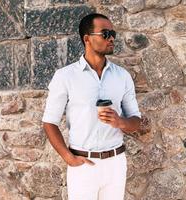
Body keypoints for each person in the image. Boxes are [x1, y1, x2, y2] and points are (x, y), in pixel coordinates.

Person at [42, 13, 141, 200]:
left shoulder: (122, 76)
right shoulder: (65, 76)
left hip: (115, 163)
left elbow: (136, 121)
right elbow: (49, 122)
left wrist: (120, 122)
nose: (111, 38)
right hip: (83, 164)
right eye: (105, 33)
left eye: (112, 33)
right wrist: (68, 158)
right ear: (87, 38)